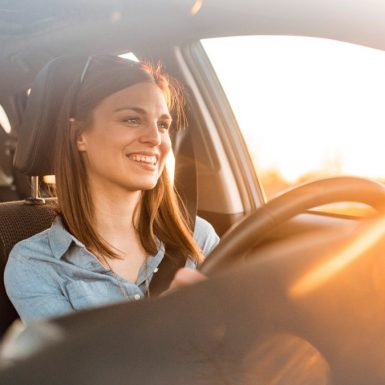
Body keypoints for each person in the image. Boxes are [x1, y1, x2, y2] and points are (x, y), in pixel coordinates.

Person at [4, 55, 219, 322]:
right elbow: (78, 364)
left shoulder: (198, 237)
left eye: (163, 125)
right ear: (80, 134)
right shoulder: (35, 263)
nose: (155, 138)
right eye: (132, 119)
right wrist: (168, 322)